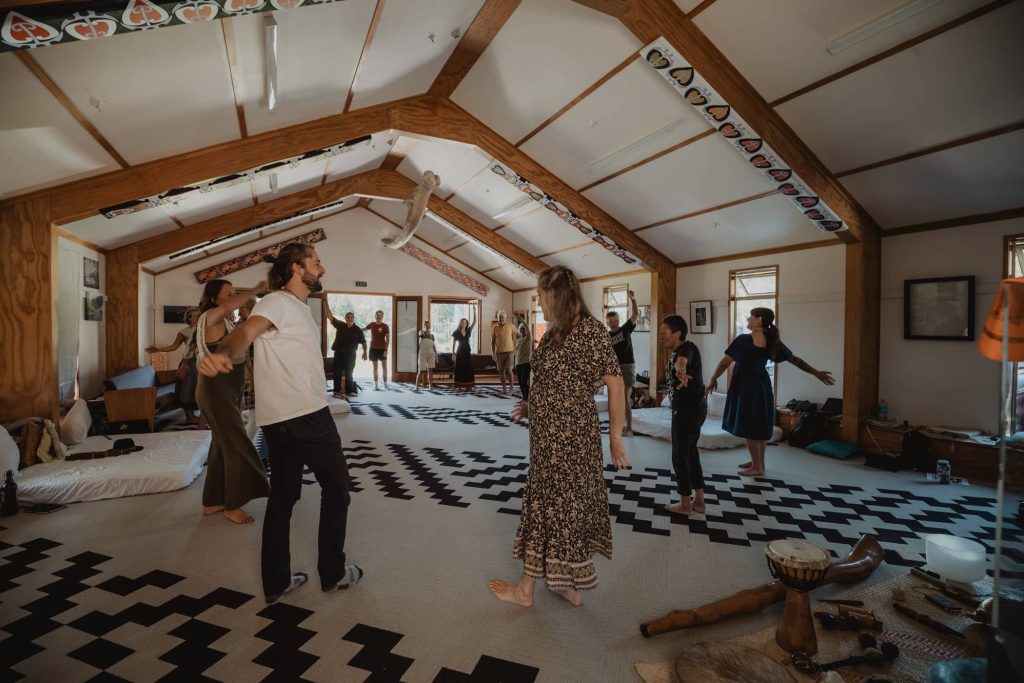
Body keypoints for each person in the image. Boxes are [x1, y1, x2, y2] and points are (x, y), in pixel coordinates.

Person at [199, 243, 362, 604]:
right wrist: (223, 353)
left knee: (284, 497)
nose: (322, 269)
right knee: (337, 489)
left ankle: (277, 582)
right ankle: (334, 574)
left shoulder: (296, 307)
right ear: (296, 268)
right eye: (316, 263)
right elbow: (246, 333)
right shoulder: (277, 302)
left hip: (278, 420)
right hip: (307, 416)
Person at [489, 265, 628, 608]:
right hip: (545, 438)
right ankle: (559, 578)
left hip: (572, 439)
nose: (541, 303)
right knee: (559, 509)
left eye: (543, 297)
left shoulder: (592, 332)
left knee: (554, 507)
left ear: (559, 295)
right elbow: (552, 380)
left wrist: (615, 438)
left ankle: (526, 590)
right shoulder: (555, 331)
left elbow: (616, 385)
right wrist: (531, 404)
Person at [705, 307, 835, 477]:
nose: (748, 320)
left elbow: (724, 362)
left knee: (749, 425)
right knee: (758, 423)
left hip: (746, 387)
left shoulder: (744, 340)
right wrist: (816, 373)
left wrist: (713, 378)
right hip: (762, 385)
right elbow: (795, 360)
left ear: (759, 320)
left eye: (751, 317)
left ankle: (757, 467)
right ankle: (758, 462)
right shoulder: (772, 340)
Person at [194, 279, 270, 525]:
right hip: (215, 391)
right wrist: (255, 289)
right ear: (214, 298)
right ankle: (234, 504)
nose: (232, 297)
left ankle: (213, 500)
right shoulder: (210, 317)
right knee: (237, 444)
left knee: (221, 444)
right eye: (228, 294)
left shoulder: (227, 323)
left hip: (227, 391)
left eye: (233, 292)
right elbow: (228, 308)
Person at [660, 315, 707, 516]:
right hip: (693, 407)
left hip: (688, 409)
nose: (661, 337)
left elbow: (682, 361)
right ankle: (699, 501)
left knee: (680, 455)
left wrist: (680, 369)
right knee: (690, 453)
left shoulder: (687, 348)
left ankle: (685, 504)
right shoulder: (677, 350)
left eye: (664, 333)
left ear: (677, 333)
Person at [147, 307, 202, 427]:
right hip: (188, 364)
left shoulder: (203, 329)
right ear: (189, 318)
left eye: (199, 315)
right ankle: (189, 417)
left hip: (201, 363)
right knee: (186, 390)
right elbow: (174, 346)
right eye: (195, 315)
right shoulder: (184, 332)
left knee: (196, 389)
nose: (198, 317)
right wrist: (158, 349)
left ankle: (194, 416)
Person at [606, 290, 639, 436]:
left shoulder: (625, 329)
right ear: (607, 322)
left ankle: (629, 428)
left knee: (625, 398)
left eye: (615, 321)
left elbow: (635, 314)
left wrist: (633, 299)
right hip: (614, 368)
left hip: (627, 367)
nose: (613, 324)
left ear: (619, 320)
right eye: (611, 322)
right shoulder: (606, 336)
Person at [325, 307, 367, 398]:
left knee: (349, 373)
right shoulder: (340, 325)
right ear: (345, 318)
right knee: (337, 373)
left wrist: (365, 352)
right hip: (339, 354)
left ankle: (349, 391)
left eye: (351, 317)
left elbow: (363, 342)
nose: (350, 318)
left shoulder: (357, 330)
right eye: (348, 317)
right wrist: (325, 304)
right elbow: (330, 317)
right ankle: (336, 391)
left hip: (351, 355)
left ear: (354, 319)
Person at [491, 310, 516, 394]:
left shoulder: (510, 326)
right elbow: (493, 342)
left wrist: (518, 345)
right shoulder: (494, 328)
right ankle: (504, 389)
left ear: (505, 318)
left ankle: (511, 388)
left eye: (502, 317)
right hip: (499, 352)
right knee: (501, 371)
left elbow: (519, 334)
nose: (501, 319)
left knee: (509, 369)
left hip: (510, 351)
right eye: (499, 317)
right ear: (497, 318)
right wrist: (493, 353)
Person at [364, 311, 390, 390]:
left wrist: (386, 350)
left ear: (382, 317)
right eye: (377, 315)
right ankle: (376, 385)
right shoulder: (372, 324)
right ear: (375, 316)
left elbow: (388, 340)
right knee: (375, 368)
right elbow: (363, 329)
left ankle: (385, 385)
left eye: (380, 315)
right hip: (373, 349)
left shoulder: (385, 326)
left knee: (384, 368)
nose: (379, 317)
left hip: (382, 349)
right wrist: (354, 329)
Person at [452, 311, 476, 387]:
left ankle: (468, 383)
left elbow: (474, 321)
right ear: (460, 323)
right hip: (460, 350)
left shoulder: (468, 331)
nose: (464, 324)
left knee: (468, 366)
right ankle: (459, 383)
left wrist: (474, 311)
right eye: (463, 322)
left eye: (465, 323)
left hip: (467, 350)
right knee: (459, 367)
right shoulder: (456, 332)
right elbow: (454, 344)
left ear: (467, 324)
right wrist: (453, 354)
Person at [513, 315, 532, 401]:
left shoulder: (528, 338)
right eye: (521, 329)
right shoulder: (518, 340)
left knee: (524, 381)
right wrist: (514, 364)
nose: (522, 330)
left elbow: (527, 326)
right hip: (518, 363)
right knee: (520, 382)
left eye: (523, 329)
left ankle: (527, 398)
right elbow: (516, 353)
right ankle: (524, 398)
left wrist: (520, 318)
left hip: (526, 363)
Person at [416, 321, 437, 390]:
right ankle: (417, 386)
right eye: (426, 325)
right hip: (423, 354)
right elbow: (419, 335)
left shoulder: (432, 336)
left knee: (430, 370)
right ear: (424, 326)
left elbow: (434, 346)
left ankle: (430, 386)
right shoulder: (422, 333)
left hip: (431, 354)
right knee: (421, 370)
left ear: (430, 326)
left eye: (428, 325)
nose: (428, 327)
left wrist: (436, 354)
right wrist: (421, 332)